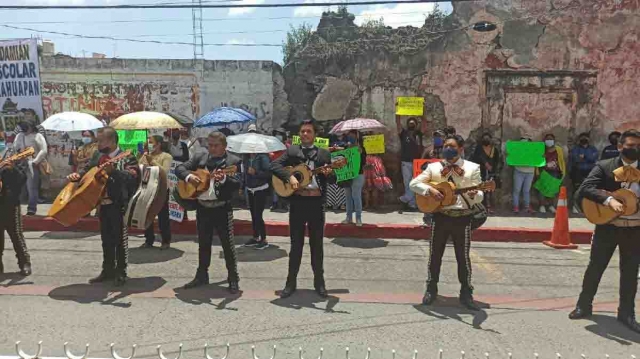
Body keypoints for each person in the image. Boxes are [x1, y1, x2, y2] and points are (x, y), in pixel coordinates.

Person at [569, 130, 640, 333]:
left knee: (630, 273)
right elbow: (586, 188)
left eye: (638, 146)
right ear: (620, 147)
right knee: (595, 267)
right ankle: (584, 305)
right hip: (608, 227)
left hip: (634, 231)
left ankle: (627, 314)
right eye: (631, 145)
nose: (635, 150)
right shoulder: (605, 166)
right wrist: (609, 200)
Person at [409, 134, 483, 310]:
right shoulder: (434, 167)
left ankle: (466, 292)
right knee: (435, 255)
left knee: (463, 257)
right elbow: (414, 184)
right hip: (440, 216)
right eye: (445, 146)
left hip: (462, 217)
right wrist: (430, 191)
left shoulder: (472, 168)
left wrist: (475, 195)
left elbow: (480, 193)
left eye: (452, 146)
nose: (448, 149)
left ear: (461, 149)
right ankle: (431, 289)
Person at [67, 127, 140, 286]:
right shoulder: (97, 156)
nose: (97, 143)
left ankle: (121, 271)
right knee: (106, 239)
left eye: (101, 140)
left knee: (120, 240)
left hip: (118, 204)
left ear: (112, 141)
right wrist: (77, 176)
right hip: (102, 204)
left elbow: (132, 178)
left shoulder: (127, 157)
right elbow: (87, 170)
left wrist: (114, 171)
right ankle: (107, 270)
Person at [271, 120, 335, 298]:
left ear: (315, 135)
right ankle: (290, 284)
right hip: (298, 204)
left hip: (316, 204)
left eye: (308, 131)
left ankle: (319, 284)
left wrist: (330, 173)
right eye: (302, 131)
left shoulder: (323, 154)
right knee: (296, 245)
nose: (305, 134)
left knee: (317, 246)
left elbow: (334, 179)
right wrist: (290, 177)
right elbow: (274, 166)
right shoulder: (292, 151)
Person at [176, 132, 241, 293]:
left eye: (215, 145)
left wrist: (224, 179)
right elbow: (180, 168)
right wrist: (189, 176)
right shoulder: (200, 158)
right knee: (203, 244)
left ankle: (233, 277)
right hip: (202, 207)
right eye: (210, 145)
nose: (211, 148)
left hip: (221, 208)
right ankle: (202, 275)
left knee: (227, 245)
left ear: (224, 146)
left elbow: (237, 183)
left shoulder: (233, 162)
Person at [139, 135, 173, 249]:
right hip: (147, 189)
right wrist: (142, 158)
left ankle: (165, 240)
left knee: (163, 216)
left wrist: (152, 161)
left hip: (161, 190)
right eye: (147, 142)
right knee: (147, 214)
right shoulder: (145, 156)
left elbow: (164, 171)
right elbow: (139, 169)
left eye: (151, 142)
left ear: (158, 144)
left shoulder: (166, 156)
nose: (148, 144)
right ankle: (149, 239)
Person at [0, 157, 31, 276]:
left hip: (11, 205)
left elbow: (22, 179)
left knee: (17, 236)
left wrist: (13, 168)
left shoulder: (11, 164)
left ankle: (25, 263)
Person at [14, 121, 47, 216]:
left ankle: (31, 209)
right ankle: (16, 209)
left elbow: (43, 150)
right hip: (20, 163)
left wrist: (35, 161)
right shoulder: (19, 136)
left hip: (31, 164)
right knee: (18, 188)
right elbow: (15, 147)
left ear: (31, 127)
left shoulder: (38, 136)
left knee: (32, 188)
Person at [242, 151, 271, 249]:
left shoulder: (263, 157)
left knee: (258, 215)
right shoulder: (246, 158)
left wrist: (256, 172)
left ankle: (264, 239)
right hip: (250, 189)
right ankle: (255, 237)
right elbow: (244, 174)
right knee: (253, 215)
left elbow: (268, 173)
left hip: (260, 189)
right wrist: (242, 186)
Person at [396, 113, 425, 212]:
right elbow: (398, 124)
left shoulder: (418, 134)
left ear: (416, 125)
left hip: (417, 161)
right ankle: (411, 204)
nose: (411, 124)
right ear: (408, 124)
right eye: (410, 123)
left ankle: (404, 198)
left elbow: (424, 125)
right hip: (405, 161)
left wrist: (423, 113)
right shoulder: (403, 133)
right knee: (407, 182)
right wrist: (398, 112)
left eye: (413, 123)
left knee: (416, 182)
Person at [470, 132, 502, 213]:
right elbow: (474, 159)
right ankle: (482, 207)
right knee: (481, 190)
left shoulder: (494, 149)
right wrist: (484, 164)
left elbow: (498, 160)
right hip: (480, 172)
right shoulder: (478, 148)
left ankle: (490, 207)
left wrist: (493, 169)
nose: (486, 147)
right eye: (485, 145)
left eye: (487, 145)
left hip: (491, 172)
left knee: (490, 190)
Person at [342, 130, 367, 226]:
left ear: (357, 137)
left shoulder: (362, 148)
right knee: (348, 197)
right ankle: (348, 218)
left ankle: (358, 218)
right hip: (347, 174)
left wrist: (360, 153)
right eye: (349, 136)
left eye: (352, 136)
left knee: (356, 196)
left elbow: (364, 163)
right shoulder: (345, 147)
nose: (351, 138)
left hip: (358, 174)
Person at [537, 133, 566, 214]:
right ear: (544, 140)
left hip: (555, 172)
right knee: (542, 189)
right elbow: (537, 160)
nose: (549, 141)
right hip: (544, 171)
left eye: (551, 139)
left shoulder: (558, 149)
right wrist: (537, 172)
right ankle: (542, 206)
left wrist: (563, 172)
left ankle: (551, 206)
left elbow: (561, 161)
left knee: (553, 190)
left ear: (554, 140)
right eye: (547, 139)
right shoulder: (541, 149)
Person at [569, 133, 598, 214]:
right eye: (582, 138)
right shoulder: (576, 149)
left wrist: (584, 157)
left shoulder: (593, 149)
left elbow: (594, 158)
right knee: (577, 189)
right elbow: (575, 158)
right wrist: (587, 158)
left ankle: (588, 207)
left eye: (586, 138)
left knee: (589, 189)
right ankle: (575, 206)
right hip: (577, 171)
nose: (584, 140)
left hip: (590, 171)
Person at [511, 137, 536, 214]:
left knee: (526, 190)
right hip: (519, 171)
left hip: (530, 172)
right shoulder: (519, 148)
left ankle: (527, 207)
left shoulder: (532, 149)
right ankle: (516, 207)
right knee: (517, 190)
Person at [269, 128, 290, 212]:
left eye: (280, 134)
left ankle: (285, 204)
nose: (278, 136)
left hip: (285, 169)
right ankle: (275, 203)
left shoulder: (287, 146)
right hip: (275, 169)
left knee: (286, 187)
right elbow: (270, 155)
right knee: (275, 187)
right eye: (277, 134)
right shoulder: (272, 146)